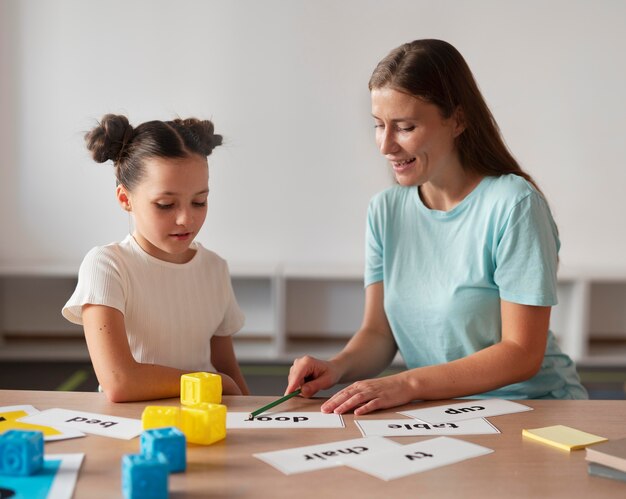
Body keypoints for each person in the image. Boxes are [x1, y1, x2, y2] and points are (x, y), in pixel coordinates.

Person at [286, 39, 588, 415]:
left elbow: (522, 354)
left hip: (535, 409)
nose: (385, 146)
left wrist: (408, 383)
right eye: (378, 126)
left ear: (458, 120)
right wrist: (338, 366)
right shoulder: (385, 211)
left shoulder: (514, 204)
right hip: (447, 415)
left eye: (405, 127)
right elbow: (380, 333)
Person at [63, 114, 249, 402]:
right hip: (133, 426)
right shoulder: (107, 265)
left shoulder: (214, 267)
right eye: (165, 205)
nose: (186, 218)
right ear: (125, 199)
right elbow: (119, 382)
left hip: (206, 422)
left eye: (199, 201)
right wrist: (214, 382)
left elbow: (231, 377)